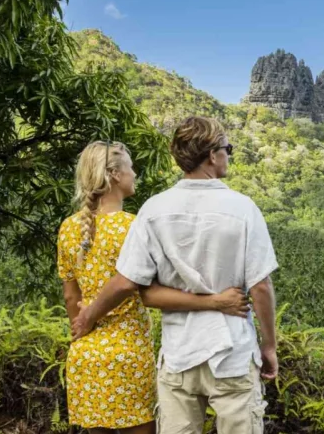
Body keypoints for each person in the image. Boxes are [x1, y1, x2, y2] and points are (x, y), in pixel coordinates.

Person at [72, 118, 279, 434]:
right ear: (211, 155)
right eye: (228, 149)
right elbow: (261, 287)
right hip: (232, 354)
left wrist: (87, 317)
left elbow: (141, 289)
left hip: (179, 355)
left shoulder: (154, 210)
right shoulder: (243, 208)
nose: (228, 155)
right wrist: (269, 346)